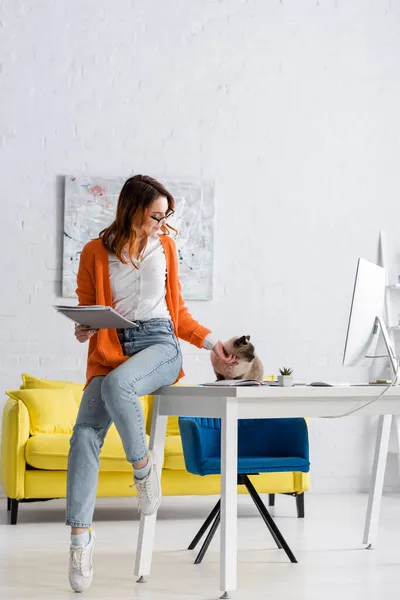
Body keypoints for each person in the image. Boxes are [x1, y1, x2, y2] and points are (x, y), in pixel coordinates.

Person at [67, 175, 238, 592]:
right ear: (132, 210)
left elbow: (177, 313)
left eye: (165, 217)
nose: (161, 225)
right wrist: (85, 327)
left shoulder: (165, 248)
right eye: (154, 216)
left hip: (159, 343)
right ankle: (79, 538)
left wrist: (214, 344)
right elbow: (87, 306)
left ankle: (144, 472)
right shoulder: (94, 251)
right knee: (84, 433)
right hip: (112, 345)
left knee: (116, 388)